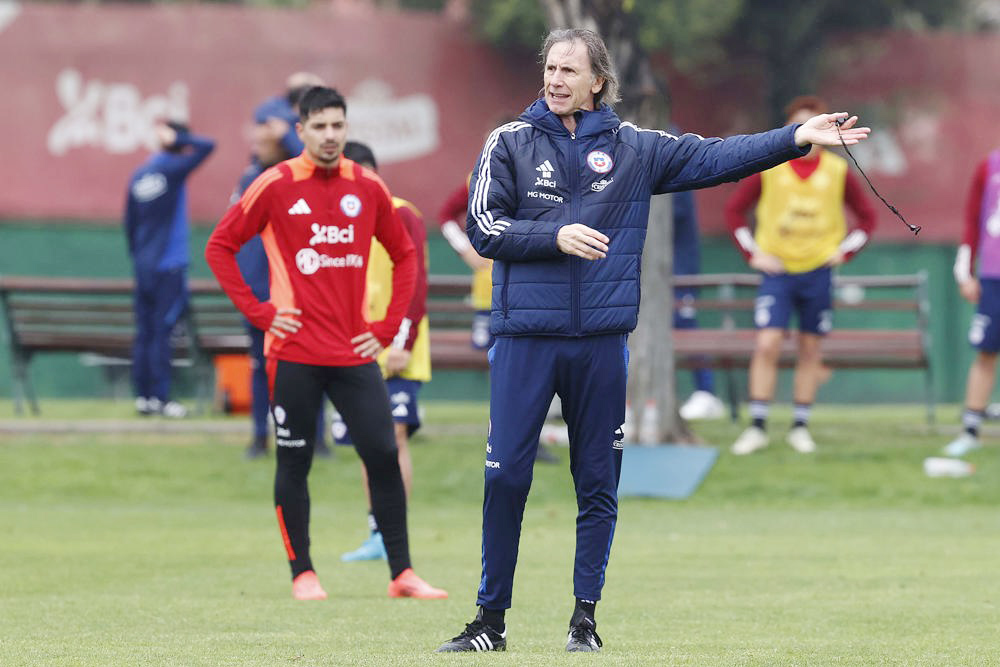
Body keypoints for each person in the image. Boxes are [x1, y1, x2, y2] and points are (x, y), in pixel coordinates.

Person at [435, 29, 869, 653]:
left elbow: (718, 157)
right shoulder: (509, 143)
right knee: (505, 478)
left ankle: (584, 619)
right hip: (526, 337)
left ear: (598, 83)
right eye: (550, 68)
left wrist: (795, 138)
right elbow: (483, 226)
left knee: (597, 482)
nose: (555, 79)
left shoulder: (637, 148)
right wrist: (554, 235)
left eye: (568, 70)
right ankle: (489, 621)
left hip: (602, 342)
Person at [205, 86, 447, 601]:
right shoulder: (274, 185)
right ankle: (303, 573)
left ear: (346, 128)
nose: (331, 135)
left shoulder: (368, 187)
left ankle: (402, 573)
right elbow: (220, 247)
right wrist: (262, 313)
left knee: (382, 454)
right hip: (292, 354)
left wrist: (383, 331)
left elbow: (405, 257)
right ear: (302, 131)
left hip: (354, 353)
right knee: (294, 461)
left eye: (338, 125)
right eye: (320, 126)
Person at [725, 95, 877, 456]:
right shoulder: (769, 165)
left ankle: (799, 426)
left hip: (817, 272)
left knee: (811, 350)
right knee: (767, 344)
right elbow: (734, 212)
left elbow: (868, 219)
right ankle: (758, 425)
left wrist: (845, 251)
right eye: (802, 124)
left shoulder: (838, 171)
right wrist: (753, 254)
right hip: (778, 271)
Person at [333, 141, 430, 562]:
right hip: (355, 347)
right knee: (367, 440)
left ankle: (394, 532)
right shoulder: (339, 218)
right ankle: (377, 530)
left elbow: (416, 282)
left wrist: (401, 342)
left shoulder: (401, 213)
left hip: (396, 347)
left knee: (394, 437)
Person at [236, 74, 331, 460]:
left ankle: (317, 438)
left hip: (299, 287)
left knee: (313, 365)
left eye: (268, 137)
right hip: (260, 290)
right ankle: (260, 436)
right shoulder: (250, 177)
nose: (260, 142)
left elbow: (313, 159)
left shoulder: (297, 176)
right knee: (262, 366)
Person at [124, 119, 215, 418]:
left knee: (146, 333)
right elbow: (208, 147)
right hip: (169, 266)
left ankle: (144, 397)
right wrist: (182, 137)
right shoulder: (172, 170)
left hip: (144, 267)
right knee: (162, 333)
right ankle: (161, 399)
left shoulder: (140, 175)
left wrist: (139, 259)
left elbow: (130, 225)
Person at [942, 147, 1000, 456]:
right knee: (985, 352)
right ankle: (970, 430)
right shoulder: (989, 165)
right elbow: (972, 220)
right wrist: (964, 273)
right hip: (994, 275)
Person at [672, 185, 726, 420]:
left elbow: (674, 216)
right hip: (652, 275)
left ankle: (706, 393)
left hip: (680, 274)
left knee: (686, 328)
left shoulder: (675, 185)